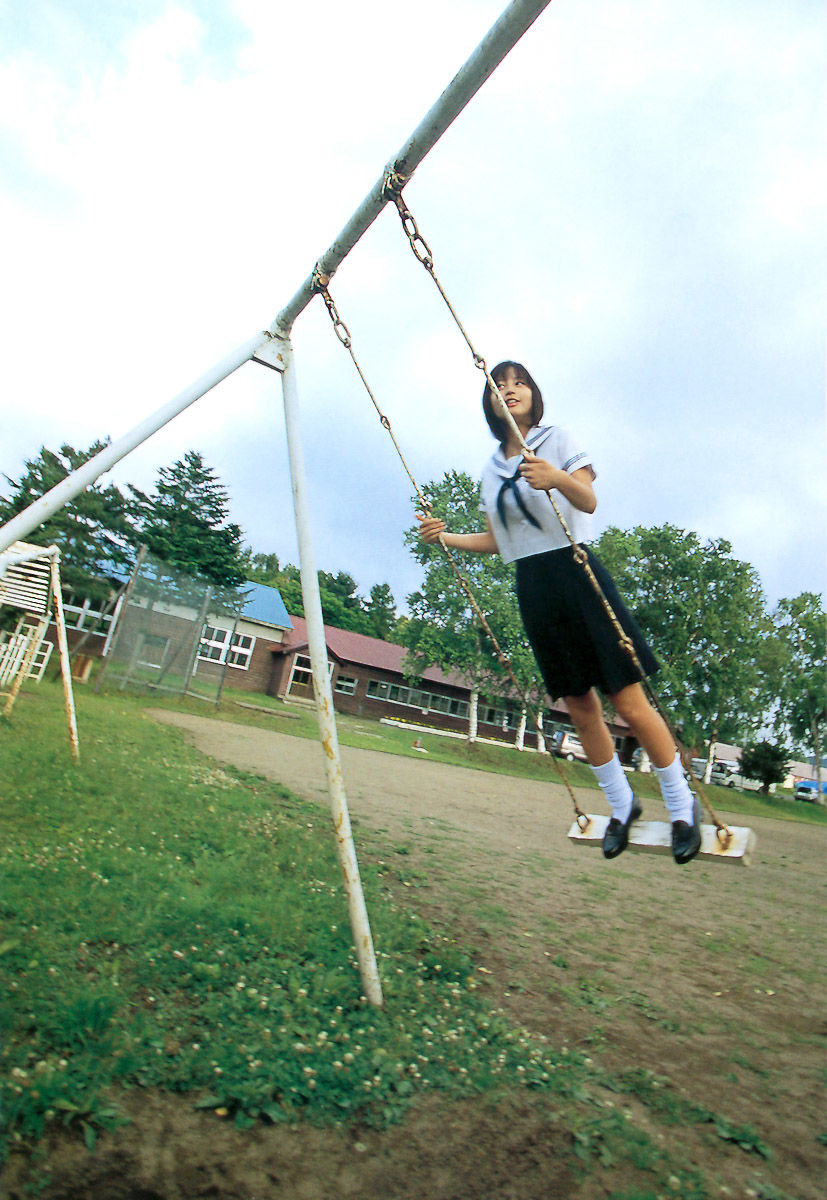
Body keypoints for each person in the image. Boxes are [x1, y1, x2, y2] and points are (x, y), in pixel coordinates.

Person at [417, 361, 701, 864]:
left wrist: (554, 477)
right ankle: (621, 805)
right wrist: (446, 537)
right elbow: (502, 541)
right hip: (534, 585)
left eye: (517, 382)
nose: (508, 391)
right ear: (488, 403)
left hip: (577, 571)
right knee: (578, 704)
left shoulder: (557, 438)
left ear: (533, 392)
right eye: (498, 387)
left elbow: (588, 501)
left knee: (628, 700)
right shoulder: (491, 469)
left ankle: (682, 806)